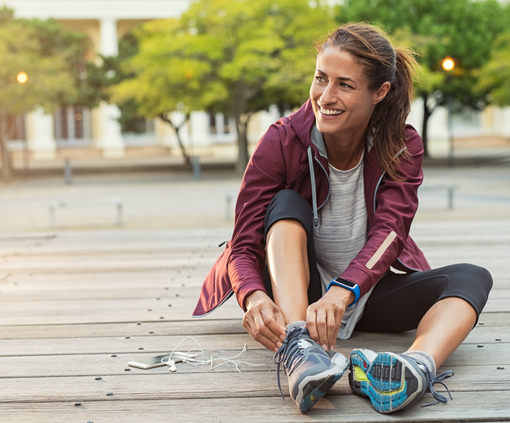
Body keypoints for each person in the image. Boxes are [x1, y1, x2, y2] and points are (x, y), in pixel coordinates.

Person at [193, 22, 493, 415]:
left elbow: (391, 232)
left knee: (472, 277)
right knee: (284, 204)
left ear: (379, 92)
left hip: (362, 291)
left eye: (344, 85)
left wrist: (343, 291)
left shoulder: (402, 144)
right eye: (320, 79)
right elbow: (244, 243)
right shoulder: (281, 140)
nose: (325, 96)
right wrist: (253, 295)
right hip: (297, 295)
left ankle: (416, 367)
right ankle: (300, 350)